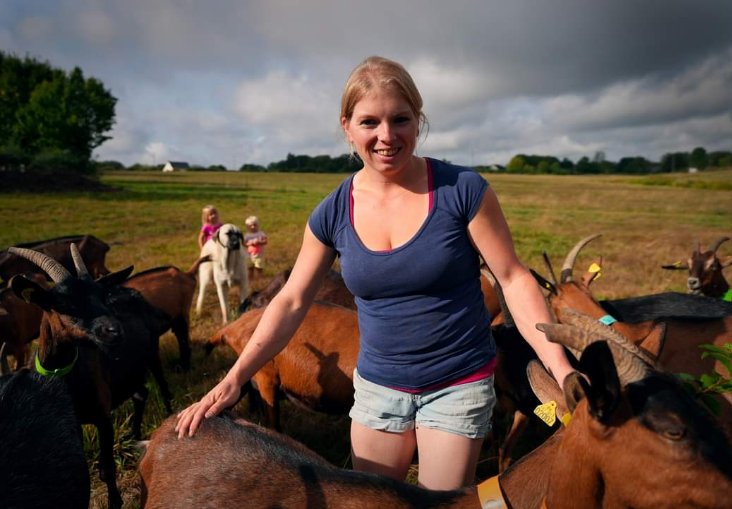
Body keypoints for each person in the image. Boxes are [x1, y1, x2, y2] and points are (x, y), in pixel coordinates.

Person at [176, 55, 576, 490]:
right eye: (370, 122)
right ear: (347, 127)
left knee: (438, 504)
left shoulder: (462, 190)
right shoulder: (332, 212)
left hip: (457, 384)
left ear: (418, 121)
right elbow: (290, 301)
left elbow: (514, 279)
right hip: (377, 389)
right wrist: (234, 378)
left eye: (400, 119)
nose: (387, 136)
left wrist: (561, 366)